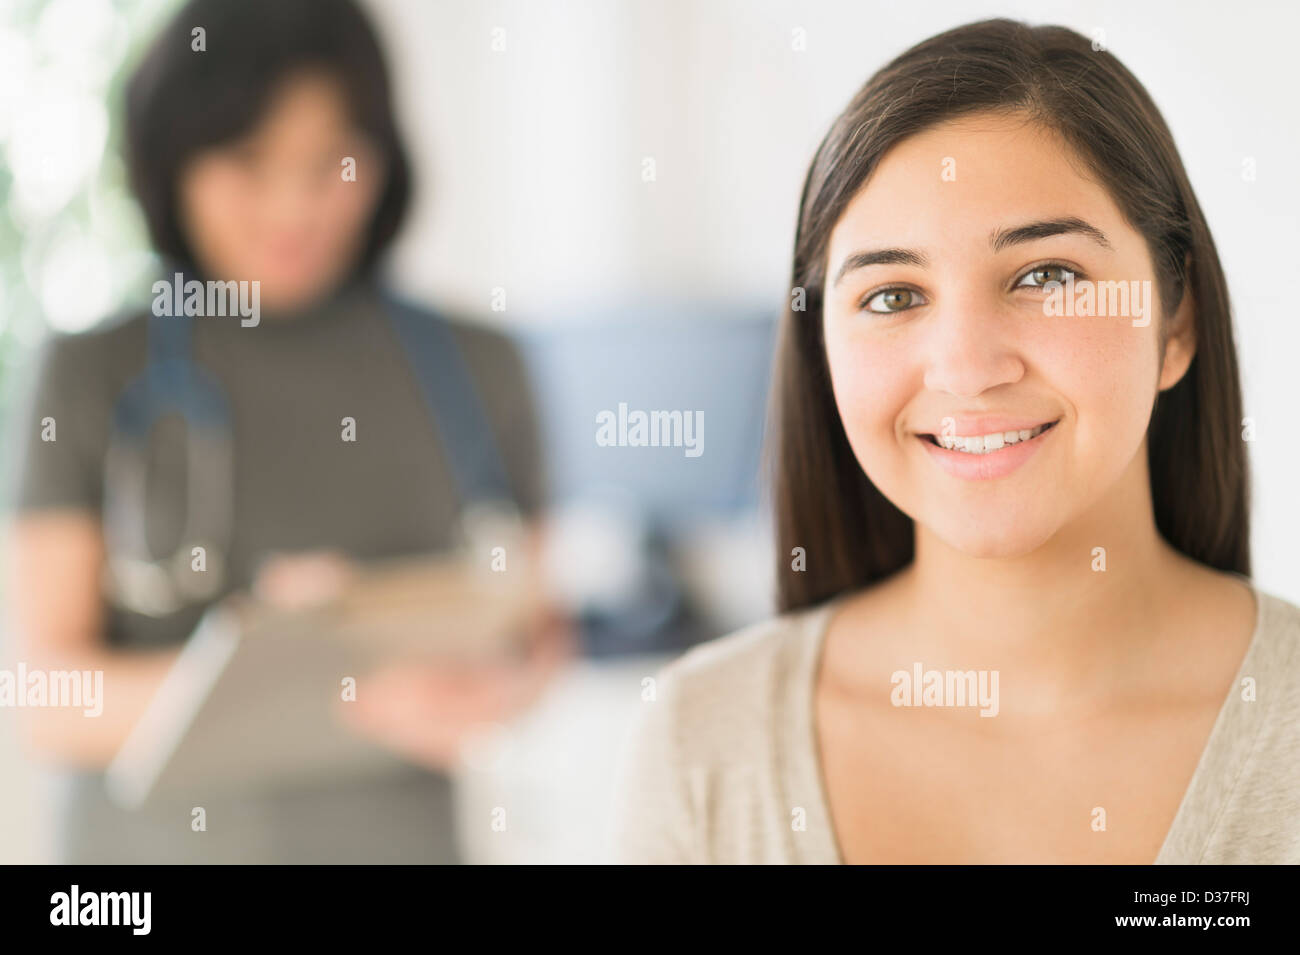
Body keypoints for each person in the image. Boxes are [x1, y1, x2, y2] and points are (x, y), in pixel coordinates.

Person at [610, 18, 1300, 864]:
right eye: (894, 296)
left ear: (1176, 319)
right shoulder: (702, 743)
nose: (968, 369)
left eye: (1046, 276)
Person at [4, 0, 567, 863]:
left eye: (333, 162)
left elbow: (536, 630)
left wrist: (491, 687)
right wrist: (277, 664)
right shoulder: (91, 372)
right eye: (248, 160)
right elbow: (42, 693)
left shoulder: (480, 364)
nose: (294, 205)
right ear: (173, 163)